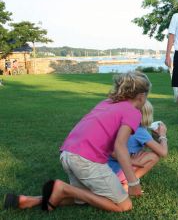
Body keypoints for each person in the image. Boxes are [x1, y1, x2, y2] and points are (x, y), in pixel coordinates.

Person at [4, 71, 151, 212]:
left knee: (85, 198)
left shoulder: (107, 103)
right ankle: (64, 188)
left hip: (68, 154)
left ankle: (29, 200)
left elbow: (108, 144)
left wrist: (129, 163)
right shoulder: (133, 112)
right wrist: (133, 182)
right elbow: (120, 146)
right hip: (85, 161)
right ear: (141, 96)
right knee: (124, 205)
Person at [107, 100, 168, 192]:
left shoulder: (123, 126)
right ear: (147, 115)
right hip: (116, 173)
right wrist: (162, 135)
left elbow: (149, 146)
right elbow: (163, 152)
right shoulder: (139, 131)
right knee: (153, 156)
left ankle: (124, 182)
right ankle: (129, 184)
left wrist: (155, 136)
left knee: (142, 153)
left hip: (107, 169)